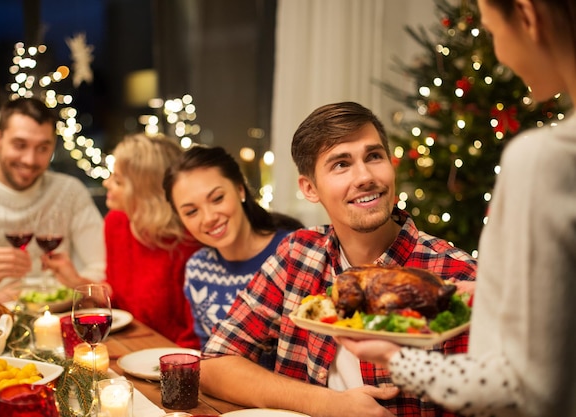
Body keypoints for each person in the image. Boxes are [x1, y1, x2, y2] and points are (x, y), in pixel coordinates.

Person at [337, 1, 576, 417]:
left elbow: (526, 393)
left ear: (527, 15)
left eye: (492, 29)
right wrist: (497, 295)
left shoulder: (547, 159)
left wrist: (395, 358)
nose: (499, 52)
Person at [196, 102, 477, 417]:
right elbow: (214, 365)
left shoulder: (455, 275)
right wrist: (326, 404)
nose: (365, 176)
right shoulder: (298, 254)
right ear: (310, 188)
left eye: (373, 156)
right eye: (341, 164)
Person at [0, 97, 105, 314]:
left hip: (62, 322)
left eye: (43, 148)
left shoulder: (70, 191)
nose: (30, 160)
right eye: (20, 145)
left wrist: (75, 283)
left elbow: (102, 268)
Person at [163, 145, 304, 349]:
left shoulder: (294, 253)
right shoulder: (198, 270)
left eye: (217, 199)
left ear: (240, 189)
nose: (209, 218)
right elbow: (209, 353)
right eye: (192, 212)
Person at [103, 133, 201, 349]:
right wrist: (75, 281)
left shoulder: (188, 244)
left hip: (171, 364)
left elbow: (194, 338)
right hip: (126, 347)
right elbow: (118, 301)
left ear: (146, 193)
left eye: (118, 180)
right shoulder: (116, 223)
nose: (106, 183)